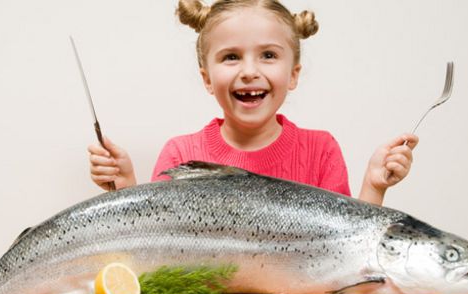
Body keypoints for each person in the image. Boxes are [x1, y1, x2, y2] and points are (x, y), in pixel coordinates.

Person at [87, 0, 418, 206]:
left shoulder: (320, 151)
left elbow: (343, 250)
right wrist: (125, 190)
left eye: (269, 55)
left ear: (293, 75)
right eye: (231, 57)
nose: (249, 71)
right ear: (206, 78)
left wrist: (374, 187)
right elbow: (153, 243)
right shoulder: (180, 154)